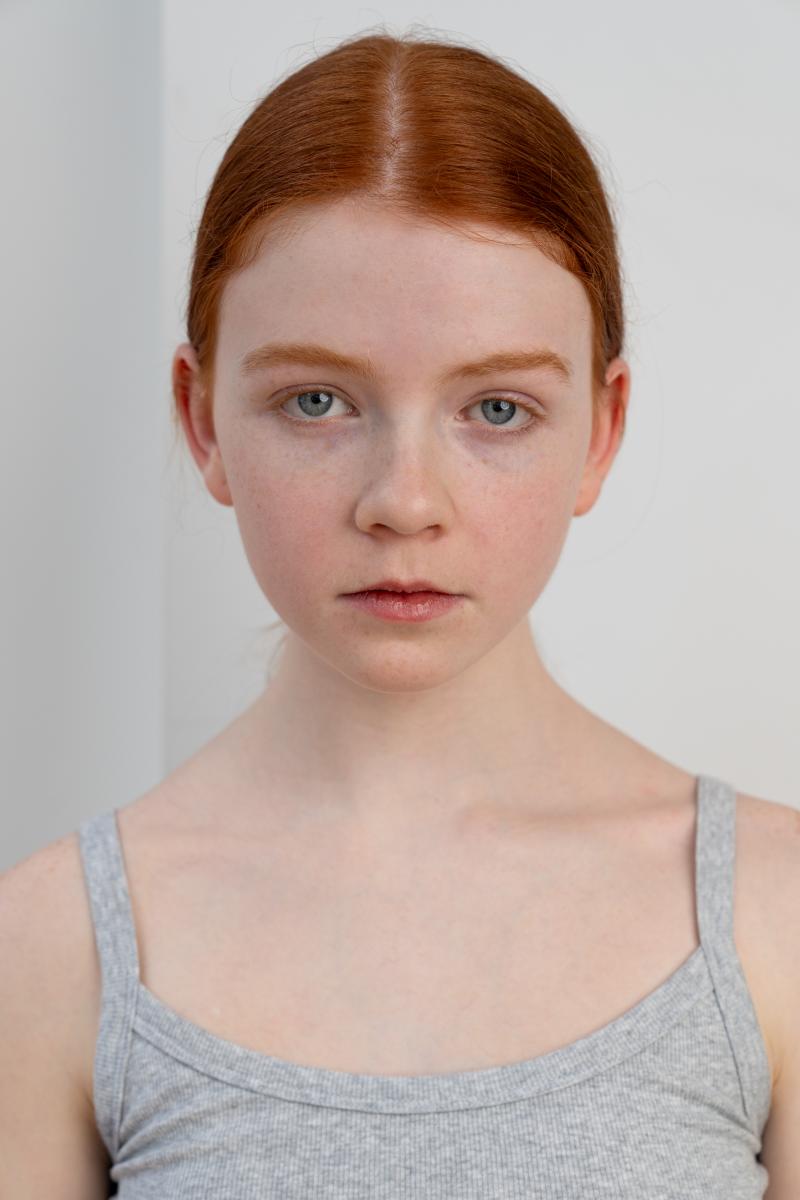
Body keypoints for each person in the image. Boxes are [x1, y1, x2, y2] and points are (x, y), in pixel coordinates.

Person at [1, 25, 797, 1199]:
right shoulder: (52, 945)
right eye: (316, 401)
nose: (403, 502)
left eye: (495, 409)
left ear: (602, 430)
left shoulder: (773, 913)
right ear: (202, 419)